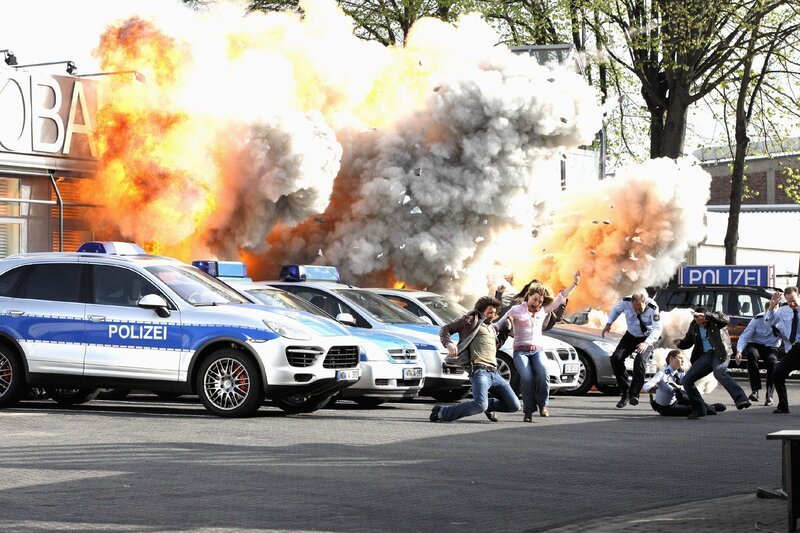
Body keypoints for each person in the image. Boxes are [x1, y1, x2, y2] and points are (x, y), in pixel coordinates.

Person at [495, 271, 581, 422]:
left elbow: (561, 298)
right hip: (520, 351)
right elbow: (499, 323)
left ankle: (543, 405)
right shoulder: (516, 310)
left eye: (540, 301)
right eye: (535, 300)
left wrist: (574, 283)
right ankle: (528, 411)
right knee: (527, 378)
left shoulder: (542, 311)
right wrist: (487, 329)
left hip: (537, 351)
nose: (538, 304)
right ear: (528, 297)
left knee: (543, 373)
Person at [431, 296, 520, 423]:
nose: (492, 314)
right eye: (490, 311)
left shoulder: (492, 328)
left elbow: (496, 346)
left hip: (495, 373)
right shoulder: (470, 320)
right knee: (480, 405)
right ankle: (441, 413)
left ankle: (488, 405)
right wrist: (449, 344)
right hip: (480, 371)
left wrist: (506, 329)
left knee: (514, 405)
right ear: (482, 310)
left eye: (494, 312)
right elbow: (446, 329)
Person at [673, 307, 751, 419]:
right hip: (706, 356)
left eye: (699, 317)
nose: (697, 319)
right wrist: (680, 343)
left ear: (705, 316)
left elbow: (725, 320)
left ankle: (741, 399)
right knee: (687, 380)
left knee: (718, 372)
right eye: (695, 317)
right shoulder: (694, 325)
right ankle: (699, 409)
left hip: (720, 354)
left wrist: (708, 316)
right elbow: (689, 341)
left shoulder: (715, 320)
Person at [601, 292, 662, 408]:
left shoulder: (653, 307)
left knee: (639, 361)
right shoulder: (625, 301)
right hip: (631, 335)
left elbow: (657, 328)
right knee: (616, 358)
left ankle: (634, 394)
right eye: (635, 309)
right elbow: (615, 310)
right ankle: (625, 392)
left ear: (645, 302)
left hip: (646, 337)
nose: (637, 311)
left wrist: (646, 343)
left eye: (640, 308)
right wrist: (609, 323)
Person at [643, 350, 725, 417]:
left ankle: (710, 407)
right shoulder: (662, 373)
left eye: (683, 359)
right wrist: (652, 389)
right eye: (680, 358)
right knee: (694, 410)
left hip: (676, 400)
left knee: (694, 399)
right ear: (671, 359)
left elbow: (686, 387)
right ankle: (712, 409)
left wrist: (678, 386)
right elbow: (647, 385)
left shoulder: (680, 372)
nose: (682, 360)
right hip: (666, 408)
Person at [764, 287, 800, 414]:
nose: (792, 304)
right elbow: (768, 323)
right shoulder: (784, 311)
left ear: (798, 295)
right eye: (789, 301)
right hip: (793, 350)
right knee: (777, 374)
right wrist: (772, 307)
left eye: (794, 301)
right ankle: (783, 406)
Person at [734, 313, 782, 406]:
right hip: (755, 344)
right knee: (752, 355)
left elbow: (788, 336)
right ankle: (755, 391)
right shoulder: (757, 319)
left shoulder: (782, 319)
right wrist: (739, 351)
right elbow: (745, 336)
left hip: (771, 346)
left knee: (772, 362)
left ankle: (769, 396)